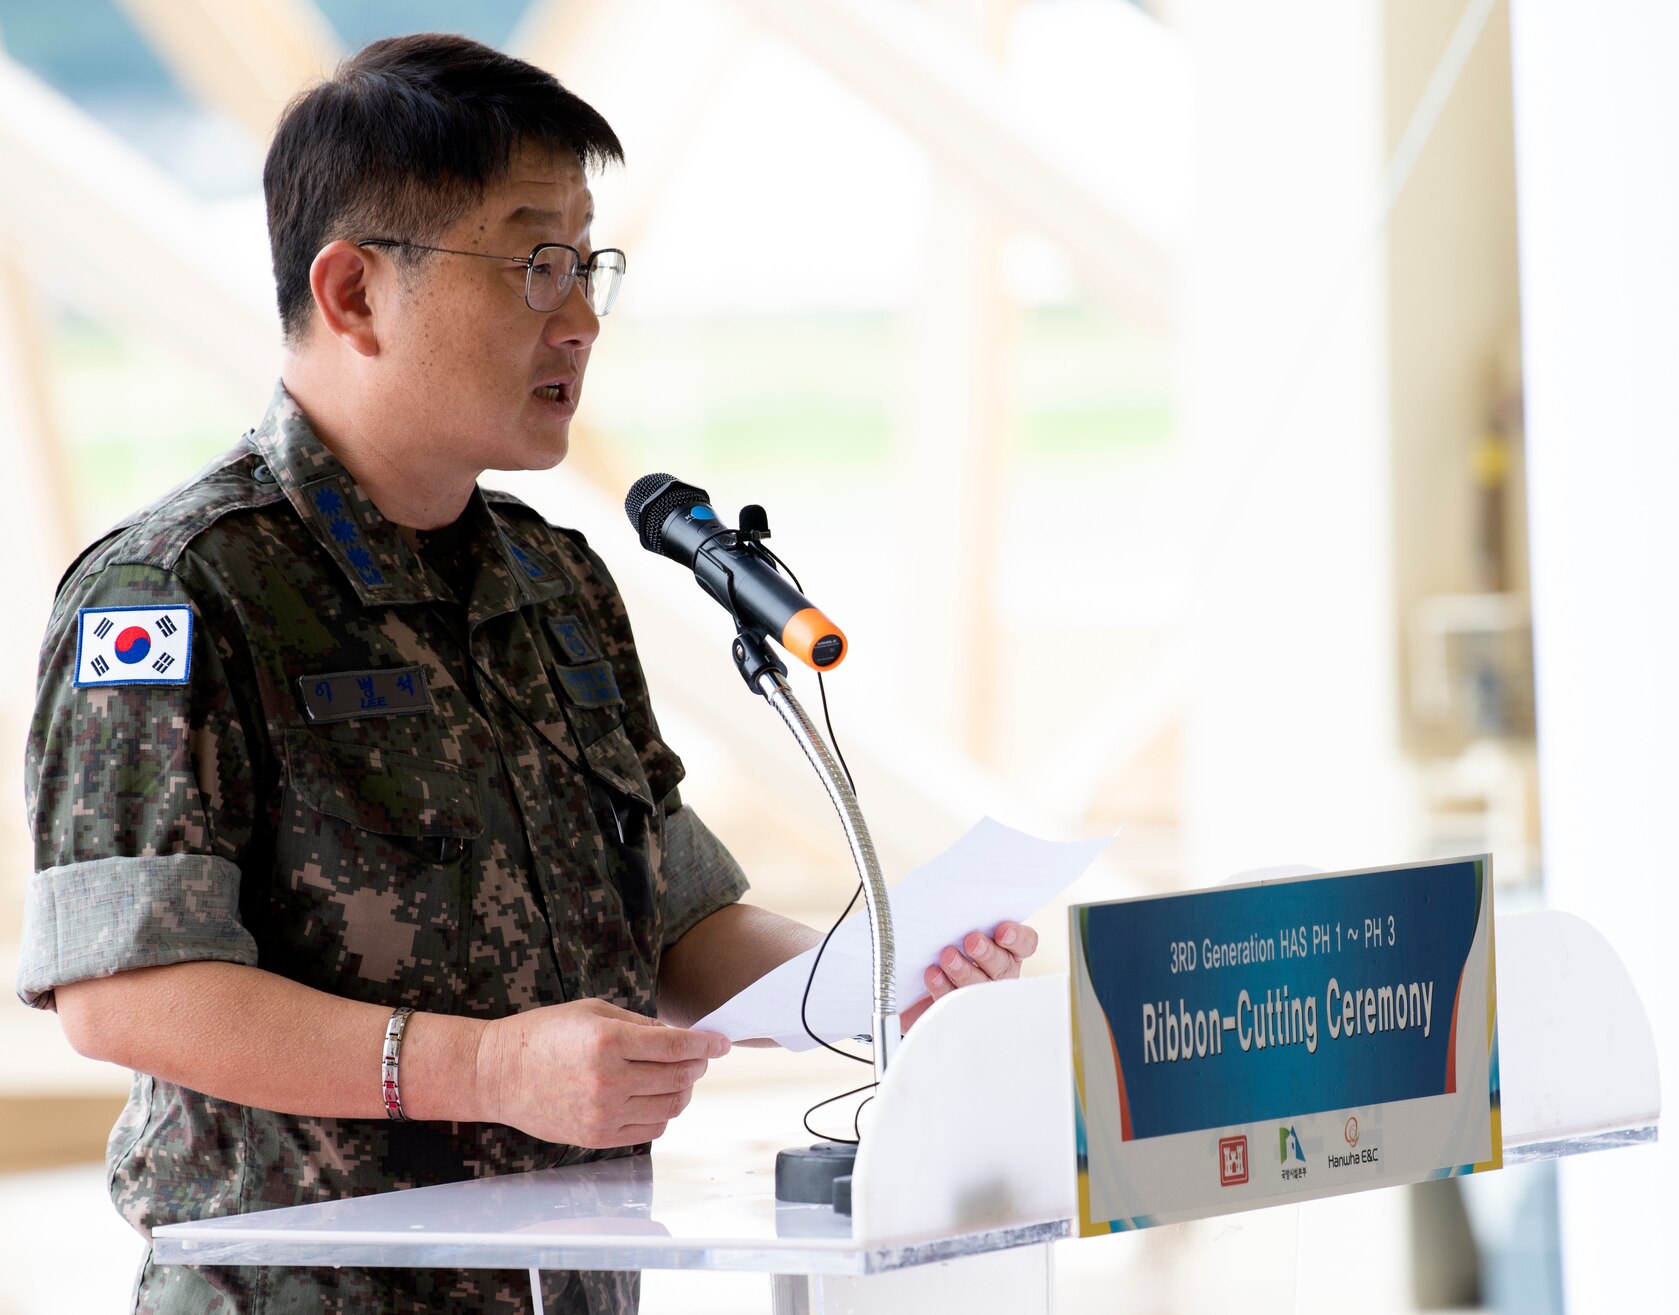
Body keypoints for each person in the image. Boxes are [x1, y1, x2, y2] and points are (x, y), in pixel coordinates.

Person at [14, 32, 1038, 1314]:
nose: (581, 318)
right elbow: (126, 992)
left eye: (588, 262)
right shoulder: (174, 591)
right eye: (533, 264)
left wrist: (889, 982)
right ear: (353, 293)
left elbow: (680, 923)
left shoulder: (554, 581)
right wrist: (485, 1070)